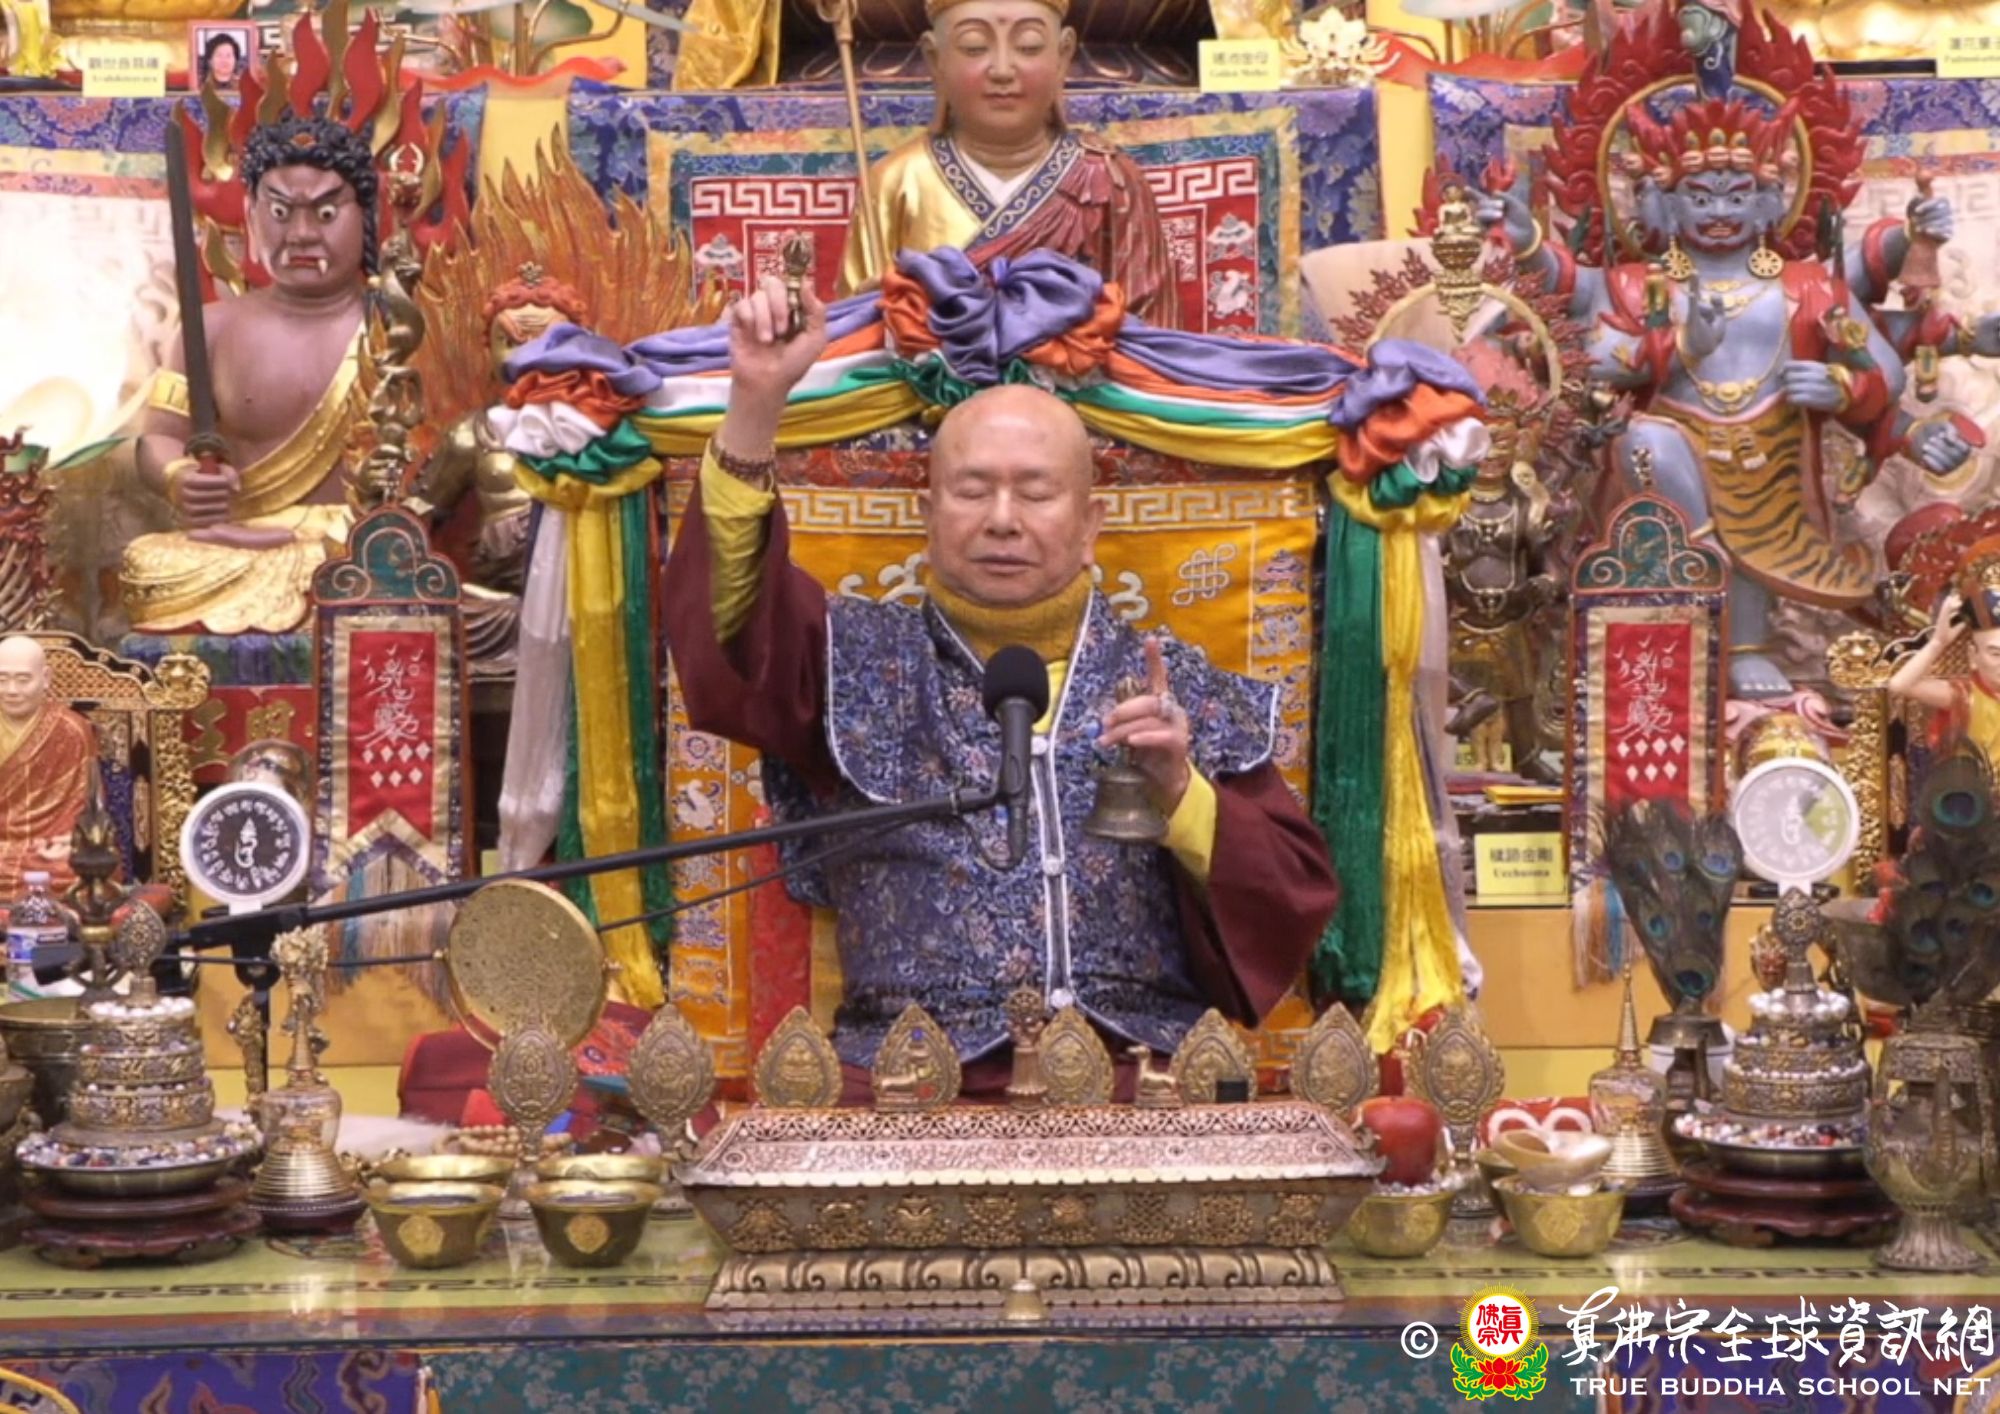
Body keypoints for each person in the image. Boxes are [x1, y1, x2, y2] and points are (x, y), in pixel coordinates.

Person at [664, 276, 1338, 1096]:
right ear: (929, 515)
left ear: (1090, 525)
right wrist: (756, 400)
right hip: (909, 1087)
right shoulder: (846, 658)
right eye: (973, 490)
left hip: (1139, 1082)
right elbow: (727, 635)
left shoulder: (1177, 689)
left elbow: (1292, 901)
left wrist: (1182, 794)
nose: (1003, 519)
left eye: (1037, 492)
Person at [120, 114, 374, 635]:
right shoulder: (211, 328)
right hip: (240, 544)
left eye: (326, 212)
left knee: (384, 568)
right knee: (147, 565)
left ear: (367, 217)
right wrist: (179, 477)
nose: (302, 234)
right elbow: (157, 439)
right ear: (249, 217)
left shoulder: (400, 325)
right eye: (279, 212)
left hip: (360, 546)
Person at [836, 0, 1181, 328]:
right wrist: (874, 315)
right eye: (974, 47)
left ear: (1063, 55)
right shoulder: (897, 180)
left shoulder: (1106, 180)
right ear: (934, 58)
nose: (1002, 70)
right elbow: (850, 342)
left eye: (1029, 47)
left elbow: (1154, 337)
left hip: (1080, 372)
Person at [0, 636, 94, 902]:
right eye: (2, 679)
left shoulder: (71, 730)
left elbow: (82, 805)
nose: (11, 690)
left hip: (47, 849)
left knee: (76, 868)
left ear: (45, 678)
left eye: (23, 680)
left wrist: (70, 840)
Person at [1888, 584, 2000, 767]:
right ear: (1973, 656)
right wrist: (1938, 642)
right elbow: (1900, 685)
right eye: (1996, 654)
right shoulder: (1964, 696)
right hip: (1974, 782)